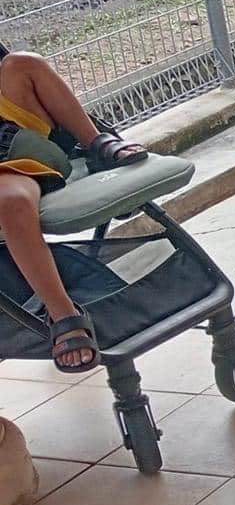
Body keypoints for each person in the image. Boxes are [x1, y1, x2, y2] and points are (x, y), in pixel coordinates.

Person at [0, 47, 148, 373]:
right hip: (8, 170)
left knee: (23, 63)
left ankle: (98, 143)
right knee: (11, 203)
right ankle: (64, 314)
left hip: (14, 130)